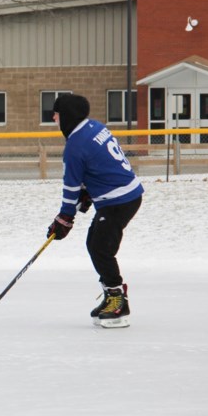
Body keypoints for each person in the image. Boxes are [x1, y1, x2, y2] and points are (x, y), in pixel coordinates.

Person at [46, 94, 143, 328]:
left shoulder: (75, 145)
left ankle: (117, 300)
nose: (53, 117)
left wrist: (64, 218)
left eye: (56, 113)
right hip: (128, 194)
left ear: (66, 115)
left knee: (100, 247)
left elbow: (70, 187)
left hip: (117, 200)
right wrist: (88, 191)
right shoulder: (94, 127)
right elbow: (100, 163)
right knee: (95, 243)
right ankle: (111, 295)